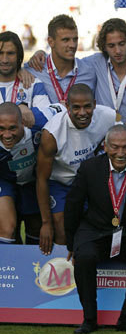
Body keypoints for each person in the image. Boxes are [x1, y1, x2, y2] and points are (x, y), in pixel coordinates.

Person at [64, 125, 126, 334]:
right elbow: (73, 206)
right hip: (95, 230)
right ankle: (89, 319)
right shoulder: (89, 168)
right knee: (84, 257)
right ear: (105, 147)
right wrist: (72, 244)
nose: (121, 153)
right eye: (115, 147)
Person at [36, 84, 116, 255]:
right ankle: (65, 275)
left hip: (88, 180)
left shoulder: (107, 115)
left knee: (101, 225)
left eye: (87, 106)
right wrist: (45, 223)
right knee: (63, 229)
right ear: (67, 106)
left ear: (94, 104)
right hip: (59, 182)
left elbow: (122, 137)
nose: (82, 113)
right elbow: (41, 179)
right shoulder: (51, 134)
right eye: (76, 107)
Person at [0, 102, 59, 244]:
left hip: (33, 181)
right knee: (7, 228)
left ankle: (31, 265)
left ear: (23, 123)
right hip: (4, 180)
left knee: (36, 228)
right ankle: (6, 265)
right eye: (1, 129)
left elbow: (63, 109)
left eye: (12, 128)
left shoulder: (40, 120)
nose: (7, 135)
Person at [24, 15, 95, 105]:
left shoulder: (89, 72)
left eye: (75, 39)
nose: (72, 45)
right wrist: (20, 71)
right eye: (66, 40)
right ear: (50, 42)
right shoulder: (33, 70)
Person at [0, 31, 50, 112]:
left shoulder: (34, 84)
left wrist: (29, 116)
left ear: (19, 55)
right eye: (0, 53)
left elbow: (47, 113)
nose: (5, 60)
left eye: (10, 53)